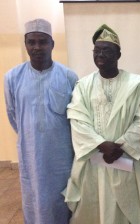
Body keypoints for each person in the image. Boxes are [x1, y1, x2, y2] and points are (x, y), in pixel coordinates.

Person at [64, 24, 140, 224]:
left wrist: (121, 145)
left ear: (119, 54)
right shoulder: (83, 85)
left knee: (130, 209)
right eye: (97, 50)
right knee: (97, 208)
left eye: (107, 50)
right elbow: (78, 118)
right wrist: (102, 145)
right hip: (95, 158)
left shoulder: (136, 84)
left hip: (126, 156)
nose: (100, 54)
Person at [4, 18, 78, 224]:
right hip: (30, 152)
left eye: (43, 41)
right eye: (32, 42)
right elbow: (13, 115)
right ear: (25, 44)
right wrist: (31, 134)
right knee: (34, 198)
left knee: (62, 199)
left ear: (52, 44)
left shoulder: (68, 77)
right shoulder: (12, 77)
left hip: (61, 155)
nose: (37, 47)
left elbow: (76, 118)